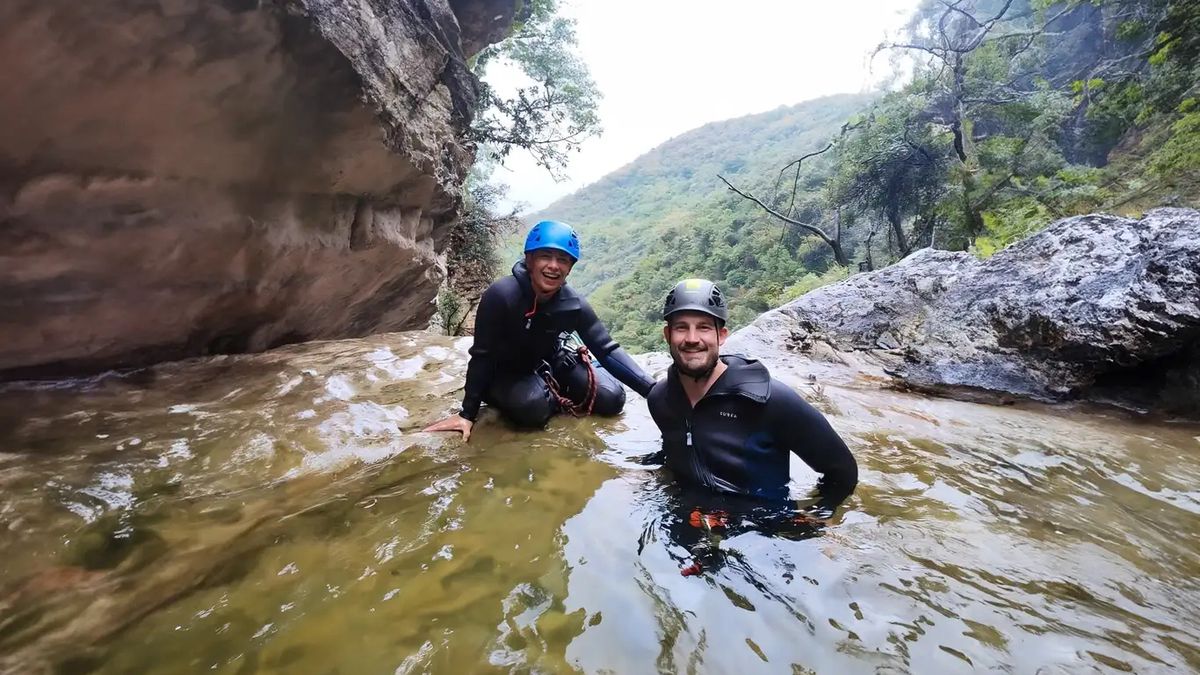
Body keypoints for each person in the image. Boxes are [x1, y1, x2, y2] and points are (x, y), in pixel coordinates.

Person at [424, 220, 656, 441]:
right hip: (506, 371)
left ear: (570, 268)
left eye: (563, 260)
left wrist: (653, 391)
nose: (554, 266)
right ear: (530, 259)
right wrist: (467, 413)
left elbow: (606, 349)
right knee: (533, 409)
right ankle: (539, 393)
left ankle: (550, 387)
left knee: (612, 398)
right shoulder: (502, 296)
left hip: (552, 360)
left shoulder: (572, 303)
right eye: (546, 256)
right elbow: (482, 355)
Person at [646, 278, 858, 506]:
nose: (692, 339)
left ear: (722, 335)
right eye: (681, 328)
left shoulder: (771, 401)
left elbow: (843, 472)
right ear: (668, 335)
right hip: (691, 517)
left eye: (704, 327)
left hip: (761, 530)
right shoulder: (661, 399)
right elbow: (676, 452)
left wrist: (811, 521)